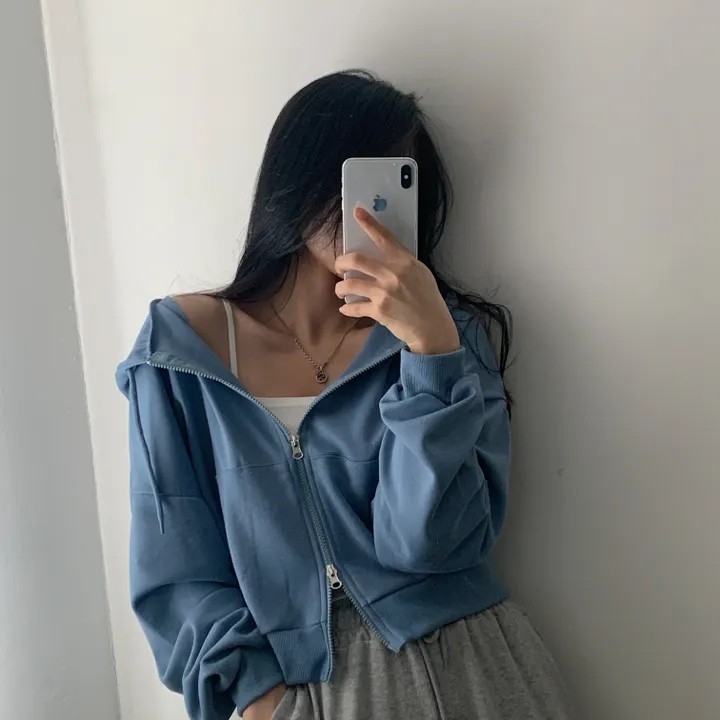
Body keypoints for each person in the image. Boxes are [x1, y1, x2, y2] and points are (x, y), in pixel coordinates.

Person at [117, 70, 570, 720]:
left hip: (470, 674)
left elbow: (428, 547)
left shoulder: (446, 336)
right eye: (356, 176)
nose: (369, 207)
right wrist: (261, 700)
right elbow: (175, 572)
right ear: (299, 176)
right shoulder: (179, 351)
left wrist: (432, 356)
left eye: (397, 181)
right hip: (304, 692)